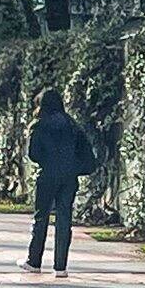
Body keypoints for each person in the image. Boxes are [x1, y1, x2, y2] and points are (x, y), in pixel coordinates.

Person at [20, 89, 93, 278]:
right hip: (69, 177)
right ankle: (61, 266)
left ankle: (34, 261)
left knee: (41, 217)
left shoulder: (40, 125)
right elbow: (84, 150)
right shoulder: (72, 125)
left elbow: (33, 154)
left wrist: (47, 160)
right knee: (64, 219)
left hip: (48, 175)